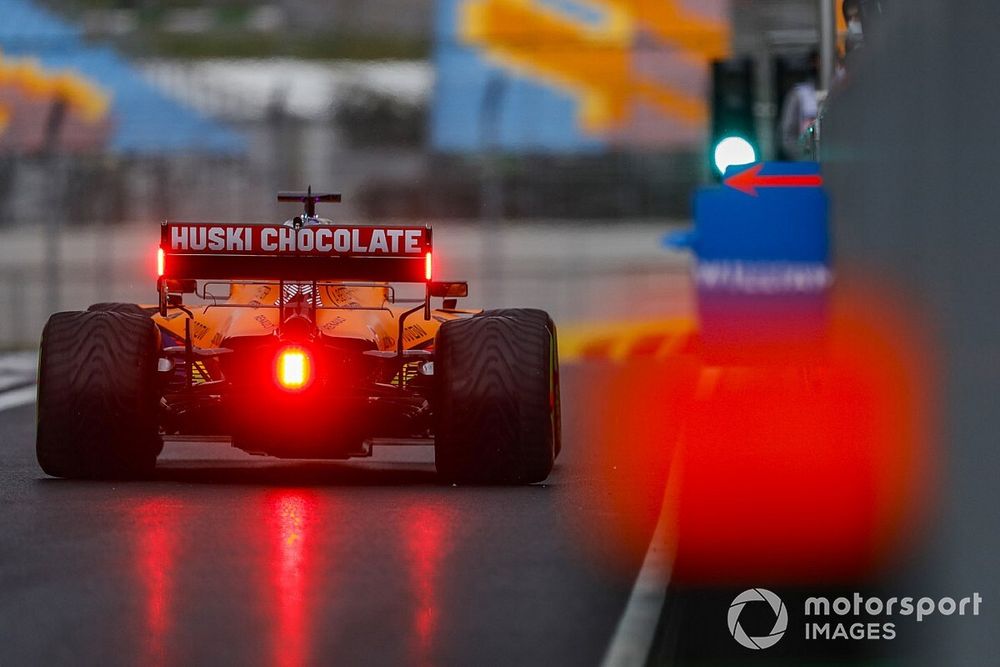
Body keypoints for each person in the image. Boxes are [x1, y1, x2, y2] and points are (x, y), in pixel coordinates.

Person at [779, 51, 819, 160]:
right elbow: (787, 134)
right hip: (807, 159)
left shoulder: (844, 92)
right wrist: (802, 157)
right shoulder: (799, 94)